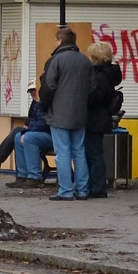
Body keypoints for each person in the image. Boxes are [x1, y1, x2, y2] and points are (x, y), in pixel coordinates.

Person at [39, 26, 93, 201]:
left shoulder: (56, 60)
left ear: (60, 41)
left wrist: (45, 106)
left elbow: (49, 87)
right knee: (79, 151)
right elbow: (92, 87)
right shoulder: (85, 61)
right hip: (80, 113)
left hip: (59, 113)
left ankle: (65, 190)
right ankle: (83, 190)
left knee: (62, 153)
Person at [84, 42, 123, 199]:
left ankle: (97, 188)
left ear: (96, 57)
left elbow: (95, 98)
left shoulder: (99, 76)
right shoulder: (109, 74)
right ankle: (96, 186)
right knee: (95, 153)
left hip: (94, 119)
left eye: (91, 56)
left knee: (93, 154)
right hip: (101, 118)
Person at [4, 79, 54, 189]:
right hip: (42, 133)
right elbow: (33, 122)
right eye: (31, 92)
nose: (33, 94)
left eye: (35, 90)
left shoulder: (46, 103)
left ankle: (35, 177)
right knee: (18, 137)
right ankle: (22, 176)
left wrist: (27, 131)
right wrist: (27, 130)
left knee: (28, 138)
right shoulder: (36, 104)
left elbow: (44, 123)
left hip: (52, 135)